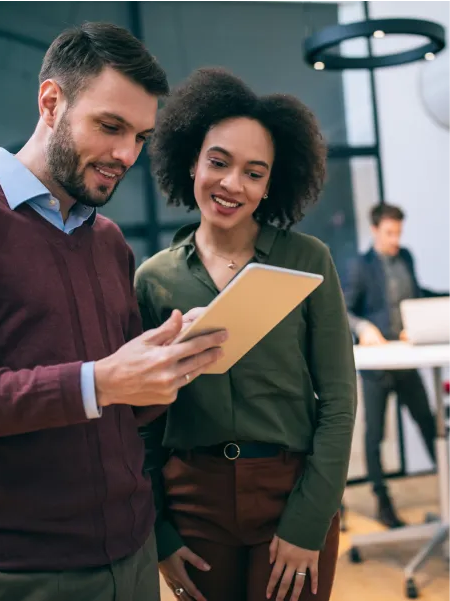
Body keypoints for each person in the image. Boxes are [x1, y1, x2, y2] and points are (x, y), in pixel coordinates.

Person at [0, 23, 226, 601]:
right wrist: (98, 382)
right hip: (22, 571)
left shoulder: (109, 240)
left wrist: (163, 376)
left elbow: (117, 407)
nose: (125, 154)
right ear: (50, 103)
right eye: (110, 126)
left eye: (140, 136)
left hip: (133, 553)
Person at [135, 68, 357, 601]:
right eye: (218, 162)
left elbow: (339, 402)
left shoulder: (309, 261)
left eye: (254, 173)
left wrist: (309, 520)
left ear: (270, 185)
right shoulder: (153, 279)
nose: (233, 184)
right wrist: (160, 532)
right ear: (192, 160)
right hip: (194, 501)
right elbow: (140, 422)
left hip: (293, 492)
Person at [343, 203, 444, 529]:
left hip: (406, 360)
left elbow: (415, 295)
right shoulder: (360, 266)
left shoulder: (406, 258)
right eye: (389, 233)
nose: (395, 239)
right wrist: (364, 328)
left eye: (398, 232)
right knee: (375, 436)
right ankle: (383, 502)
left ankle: (446, 487)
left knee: (429, 425)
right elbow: (345, 310)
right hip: (377, 366)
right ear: (374, 231)